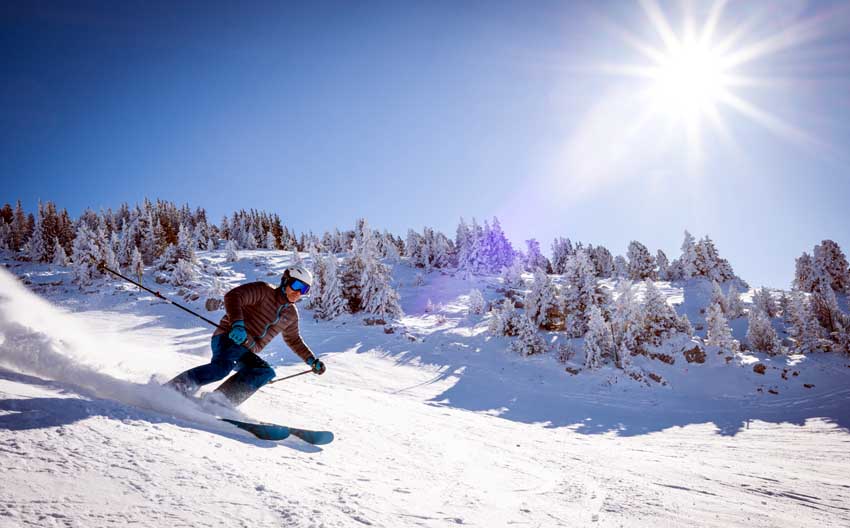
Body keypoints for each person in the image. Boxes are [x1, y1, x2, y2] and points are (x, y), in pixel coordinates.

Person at [166, 265, 325, 405]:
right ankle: (175, 389)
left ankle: (219, 401)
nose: (298, 292)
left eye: (304, 290)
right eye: (296, 285)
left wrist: (311, 360)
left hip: (246, 349)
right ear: (285, 281)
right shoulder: (264, 290)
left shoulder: (291, 314)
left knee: (264, 372)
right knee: (221, 369)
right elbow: (234, 296)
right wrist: (237, 324)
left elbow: (294, 340)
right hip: (229, 337)